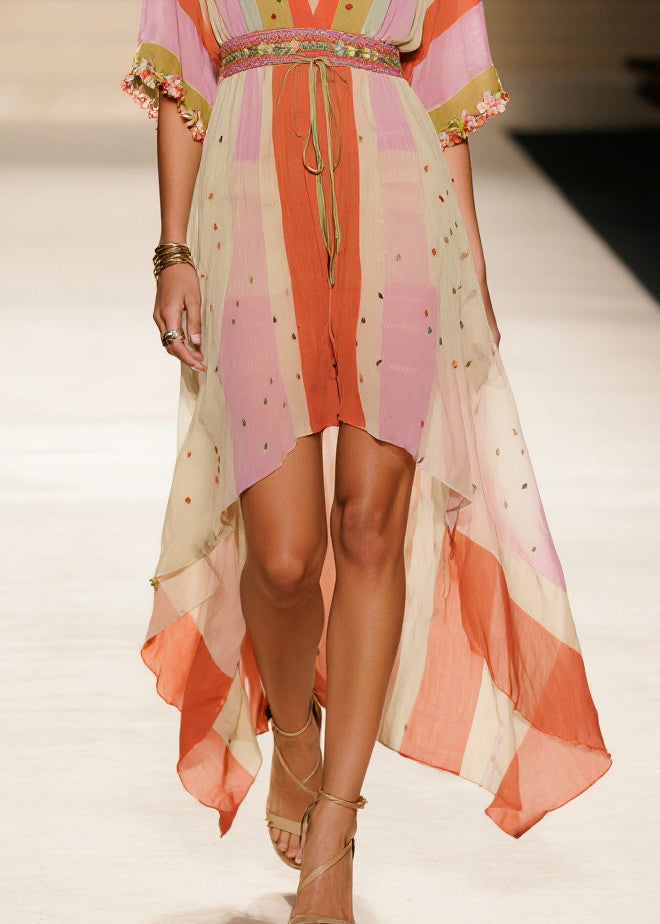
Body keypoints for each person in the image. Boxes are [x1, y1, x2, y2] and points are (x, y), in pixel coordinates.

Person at [122, 2, 612, 922]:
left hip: (399, 200)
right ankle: (294, 731)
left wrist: (472, 270)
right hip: (249, 202)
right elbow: (182, 84)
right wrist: (172, 251)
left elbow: (447, 107)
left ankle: (337, 831)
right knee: (282, 556)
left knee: (370, 525)